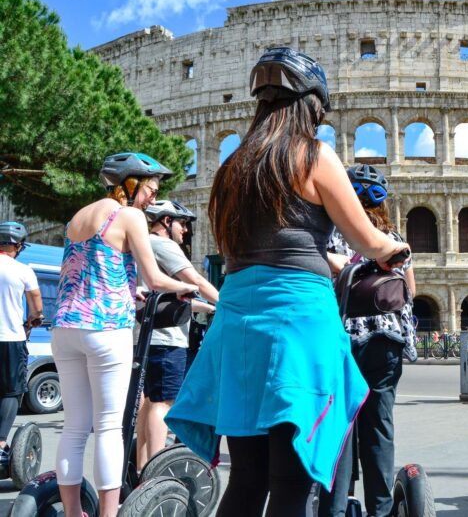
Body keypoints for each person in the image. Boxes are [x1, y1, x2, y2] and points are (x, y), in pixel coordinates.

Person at [164, 47, 410, 517]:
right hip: (298, 323)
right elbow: (368, 239)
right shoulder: (314, 157)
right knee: (292, 485)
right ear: (311, 106)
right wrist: (392, 250)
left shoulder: (232, 170)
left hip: (236, 322)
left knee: (247, 478)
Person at [51, 153, 198, 517]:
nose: (150, 198)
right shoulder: (128, 215)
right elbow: (155, 277)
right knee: (108, 428)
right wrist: (182, 288)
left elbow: (79, 271)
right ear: (129, 184)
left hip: (65, 327)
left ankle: (72, 513)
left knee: (74, 427)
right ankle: (109, 514)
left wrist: (128, 290)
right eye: (149, 189)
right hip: (106, 329)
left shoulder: (76, 219)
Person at [318, 164, 416, 516]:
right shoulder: (393, 237)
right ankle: (380, 509)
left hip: (343, 338)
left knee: (341, 427)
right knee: (379, 425)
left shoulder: (331, 233)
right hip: (387, 341)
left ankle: (335, 508)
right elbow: (410, 291)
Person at [135, 200, 220, 472]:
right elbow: (194, 279)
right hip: (166, 338)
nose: (185, 230)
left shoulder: (139, 245)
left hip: (146, 335)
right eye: (182, 223)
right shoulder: (163, 245)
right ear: (166, 222)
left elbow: (170, 297)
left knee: (149, 402)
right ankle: (157, 471)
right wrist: (228, 304)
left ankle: (142, 468)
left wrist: (208, 306)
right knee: (164, 403)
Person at [0, 222, 43, 467]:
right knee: (11, 391)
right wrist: (34, 319)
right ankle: (0, 445)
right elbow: (36, 304)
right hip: (9, 338)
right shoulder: (22, 270)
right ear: (17, 246)